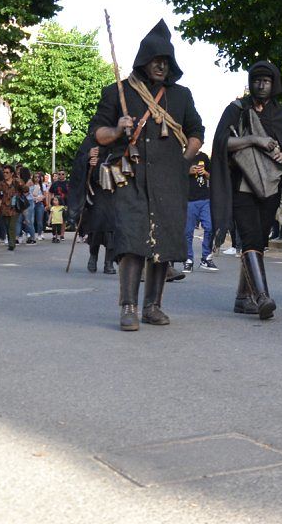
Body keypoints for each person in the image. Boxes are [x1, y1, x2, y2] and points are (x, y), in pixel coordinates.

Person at [90, 19, 204, 331]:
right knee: (131, 240)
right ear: (144, 61)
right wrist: (117, 129)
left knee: (163, 242)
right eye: (156, 61)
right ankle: (128, 307)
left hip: (170, 180)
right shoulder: (118, 92)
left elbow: (196, 131)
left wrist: (184, 159)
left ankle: (153, 306)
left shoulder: (181, 96)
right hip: (131, 178)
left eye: (166, 62)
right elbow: (97, 133)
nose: (161, 67)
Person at [210, 61, 282, 320]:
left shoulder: (279, 113)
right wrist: (253, 139)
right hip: (242, 186)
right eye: (257, 80)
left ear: (274, 84)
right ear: (250, 83)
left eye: (267, 80)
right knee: (250, 238)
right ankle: (262, 296)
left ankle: (243, 297)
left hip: (270, 187)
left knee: (259, 241)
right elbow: (221, 143)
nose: (261, 84)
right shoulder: (237, 109)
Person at [68, 139, 116, 275]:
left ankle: (109, 262)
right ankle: (93, 257)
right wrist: (88, 160)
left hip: (113, 193)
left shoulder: (118, 140)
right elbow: (77, 167)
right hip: (96, 193)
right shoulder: (90, 143)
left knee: (111, 230)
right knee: (96, 228)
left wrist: (102, 165)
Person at [183, 150, 215, 272]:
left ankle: (206, 258)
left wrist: (205, 173)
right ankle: (188, 260)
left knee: (210, 227)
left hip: (205, 198)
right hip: (188, 199)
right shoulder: (183, 156)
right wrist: (187, 171)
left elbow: (212, 175)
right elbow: (173, 175)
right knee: (188, 231)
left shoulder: (204, 157)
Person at [0, 165, 22, 251]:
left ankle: (12, 244)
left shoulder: (16, 182)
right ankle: (10, 241)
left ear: (12, 173)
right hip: (4, 208)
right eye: (4, 172)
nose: (5, 174)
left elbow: (26, 190)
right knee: (7, 226)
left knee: (11, 226)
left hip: (15, 207)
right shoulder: (1, 183)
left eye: (7, 172)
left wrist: (21, 184)